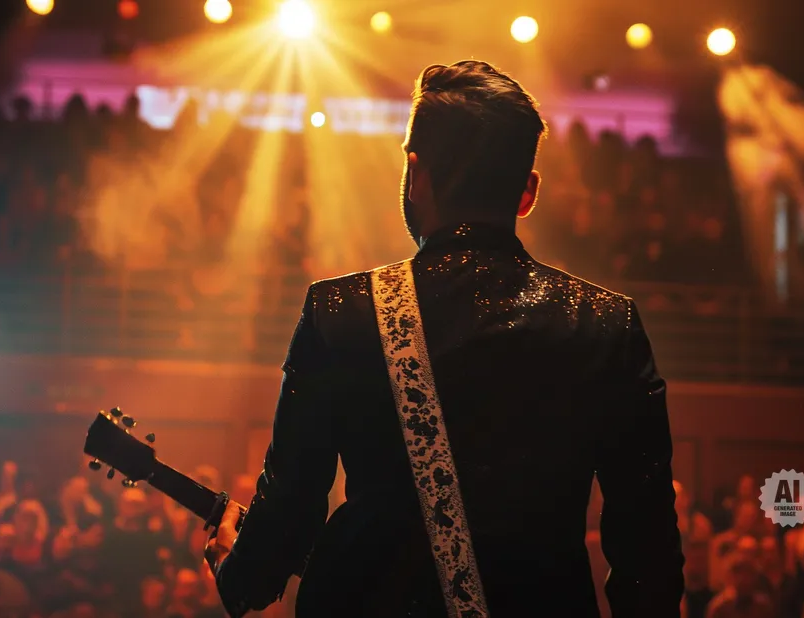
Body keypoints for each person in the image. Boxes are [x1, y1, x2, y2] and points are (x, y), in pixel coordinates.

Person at [206, 60, 685, 617]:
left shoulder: (342, 314)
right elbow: (648, 555)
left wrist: (238, 570)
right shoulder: (606, 326)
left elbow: (288, 509)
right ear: (527, 192)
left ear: (417, 173)